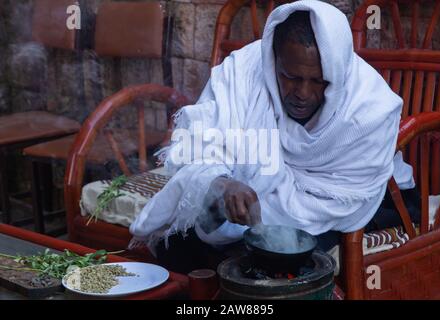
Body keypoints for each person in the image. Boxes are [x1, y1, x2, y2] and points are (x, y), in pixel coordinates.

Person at [129, 0, 419, 274]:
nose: (303, 94)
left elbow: (350, 190)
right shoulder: (244, 71)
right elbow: (203, 141)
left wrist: (262, 198)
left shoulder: (370, 108)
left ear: (337, 73)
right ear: (272, 62)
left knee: (275, 259)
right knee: (183, 241)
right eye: (290, 77)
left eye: (318, 81)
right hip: (261, 188)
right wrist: (221, 181)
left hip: (350, 202)